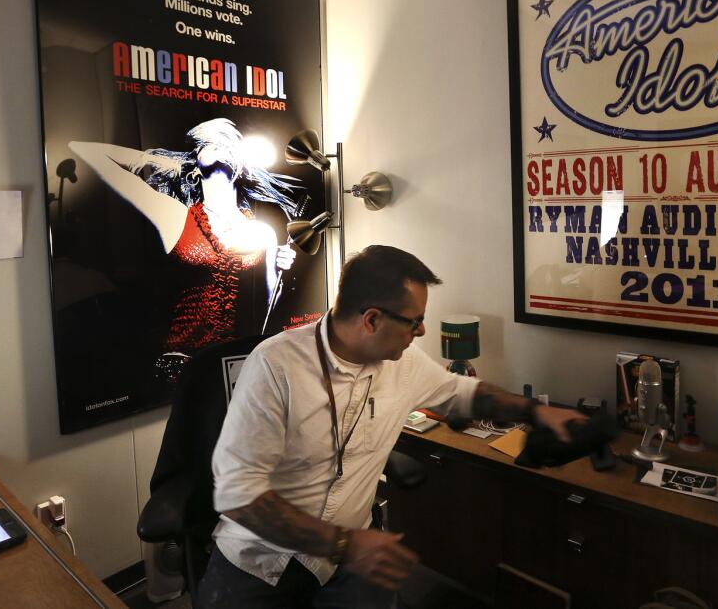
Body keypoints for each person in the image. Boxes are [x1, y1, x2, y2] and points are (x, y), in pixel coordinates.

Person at [198, 245, 586, 608]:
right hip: (264, 559)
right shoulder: (275, 367)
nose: (420, 332)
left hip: (348, 560)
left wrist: (535, 412)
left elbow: (466, 394)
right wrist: (345, 545)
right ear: (372, 319)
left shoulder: (403, 362)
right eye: (415, 321)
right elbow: (240, 496)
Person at [69, 118, 300, 353]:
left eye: (224, 141)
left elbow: (267, 313)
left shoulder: (262, 233)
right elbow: (86, 150)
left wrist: (282, 273)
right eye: (206, 144)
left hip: (235, 360)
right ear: (195, 164)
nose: (217, 145)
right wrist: (153, 159)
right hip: (182, 361)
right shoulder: (175, 216)